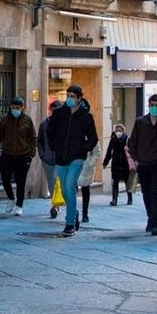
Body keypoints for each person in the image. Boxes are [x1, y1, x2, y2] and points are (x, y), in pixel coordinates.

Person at [47, 85, 98, 237]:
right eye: (68, 95)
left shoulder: (86, 116)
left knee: (70, 186)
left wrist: (83, 149)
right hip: (61, 158)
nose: (69, 98)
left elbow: (93, 138)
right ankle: (74, 211)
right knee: (63, 190)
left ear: (79, 98)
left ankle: (69, 224)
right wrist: (55, 146)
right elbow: (50, 132)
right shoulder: (58, 114)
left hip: (77, 158)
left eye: (73, 96)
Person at [127, 93, 157, 236]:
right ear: (148, 106)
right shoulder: (140, 122)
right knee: (146, 193)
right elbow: (132, 141)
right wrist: (136, 158)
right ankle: (151, 219)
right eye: (152, 105)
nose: (154, 108)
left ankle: (154, 223)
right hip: (143, 163)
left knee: (155, 192)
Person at [0, 96, 37, 216]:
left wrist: (31, 153)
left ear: (22, 108)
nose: (16, 109)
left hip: (23, 155)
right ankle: (11, 197)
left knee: (21, 181)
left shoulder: (27, 120)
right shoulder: (5, 120)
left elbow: (33, 137)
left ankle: (19, 205)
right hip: (7, 154)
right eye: (13, 107)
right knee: (5, 178)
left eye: (18, 107)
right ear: (10, 107)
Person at [37, 99, 62, 218]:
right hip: (48, 159)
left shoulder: (64, 124)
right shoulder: (44, 124)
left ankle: (57, 204)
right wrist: (42, 154)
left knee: (59, 183)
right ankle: (55, 205)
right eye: (52, 110)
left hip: (61, 159)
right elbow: (40, 140)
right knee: (52, 183)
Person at [76, 98, 99, 223]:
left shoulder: (90, 132)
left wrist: (90, 163)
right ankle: (74, 212)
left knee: (85, 190)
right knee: (70, 190)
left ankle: (85, 213)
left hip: (86, 167)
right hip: (73, 164)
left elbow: (97, 151)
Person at [103, 124, 131, 206]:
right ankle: (114, 199)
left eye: (120, 130)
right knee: (115, 182)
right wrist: (105, 163)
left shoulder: (127, 139)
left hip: (126, 164)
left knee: (127, 182)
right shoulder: (113, 139)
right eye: (116, 130)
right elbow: (109, 152)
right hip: (116, 164)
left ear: (123, 131)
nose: (118, 132)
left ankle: (130, 198)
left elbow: (132, 151)